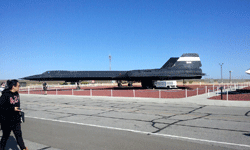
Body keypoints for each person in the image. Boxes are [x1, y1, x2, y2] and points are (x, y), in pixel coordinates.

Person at [0, 80, 28, 150]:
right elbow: (1, 108)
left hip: (16, 119)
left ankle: (23, 148)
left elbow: (17, 105)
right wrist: (12, 108)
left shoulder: (17, 94)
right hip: (6, 120)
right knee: (5, 137)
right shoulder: (5, 95)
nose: (19, 87)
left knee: (19, 136)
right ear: (13, 86)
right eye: (18, 86)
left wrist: (19, 112)